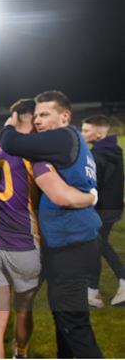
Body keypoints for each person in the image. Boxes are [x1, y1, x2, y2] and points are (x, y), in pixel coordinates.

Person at [0, 99, 97, 358]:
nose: (40, 124)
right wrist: (90, 197)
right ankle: (20, 353)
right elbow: (60, 195)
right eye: (38, 118)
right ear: (30, 122)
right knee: (25, 312)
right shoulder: (38, 159)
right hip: (24, 247)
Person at [81, 115, 125, 307]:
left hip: (101, 209)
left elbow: (92, 185)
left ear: (98, 134)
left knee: (99, 245)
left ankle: (122, 280)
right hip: (113, 207)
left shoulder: (96, 156)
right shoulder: (114, 150)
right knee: (98, 246)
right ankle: (93, 291)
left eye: (86, 130)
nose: (82, 134)